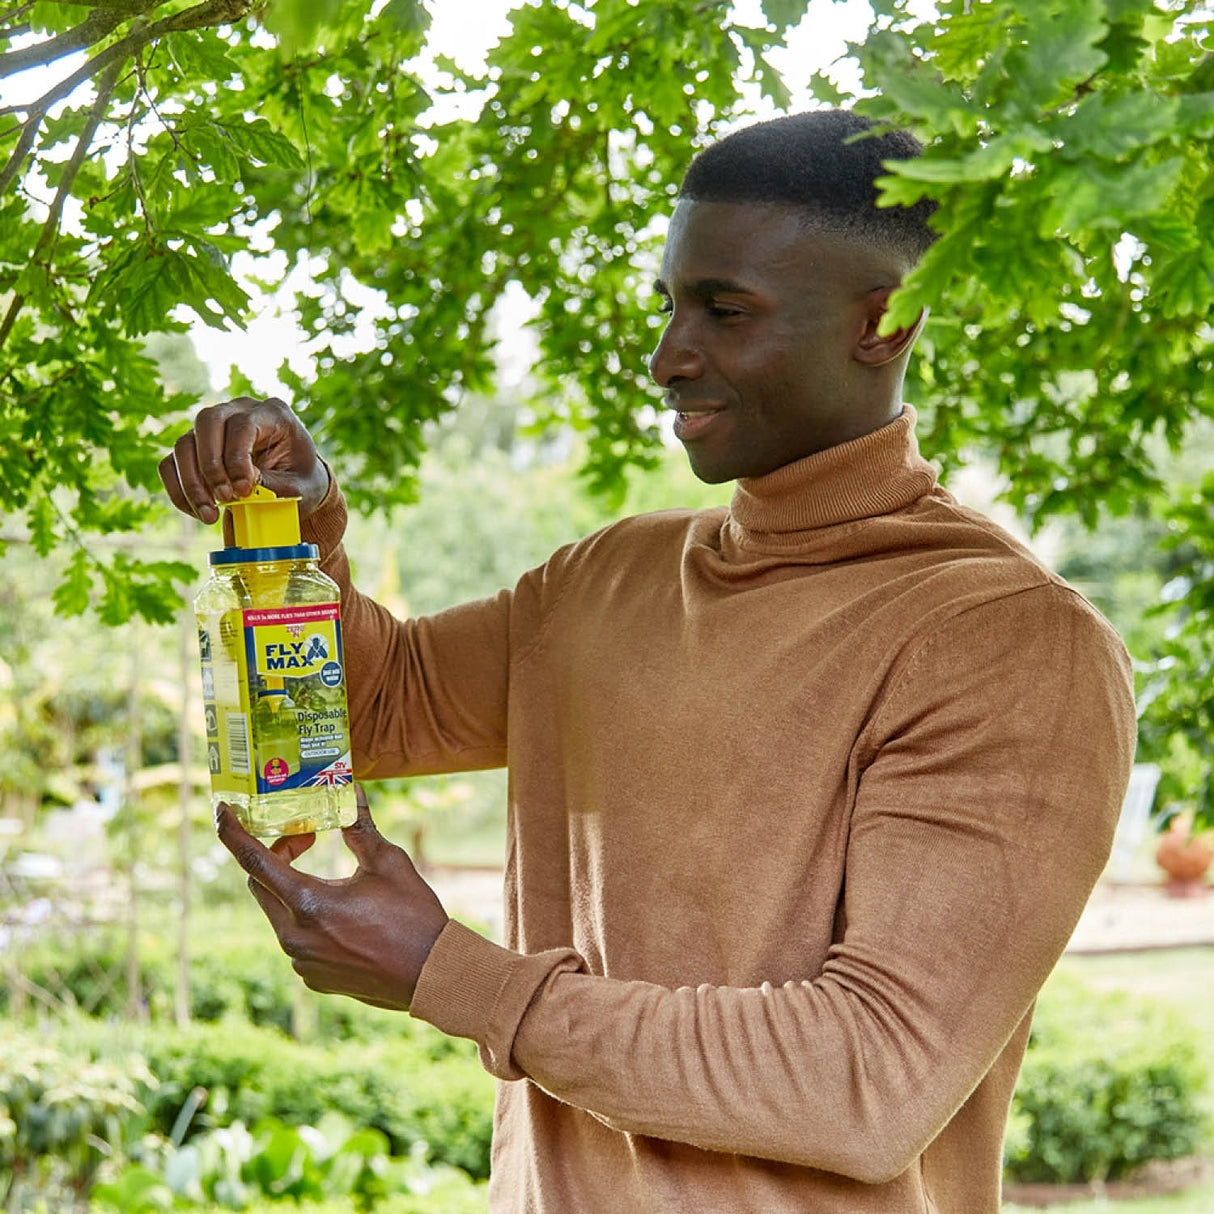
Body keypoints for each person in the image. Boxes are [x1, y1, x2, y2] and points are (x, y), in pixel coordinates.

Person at [159, 110, 1137, 1214]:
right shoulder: (606, 577)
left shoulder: (1005, 639)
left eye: (724, 310)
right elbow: (365, 716)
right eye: (669, 305)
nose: (668, 357)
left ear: (886, 321)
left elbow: (868, 1078)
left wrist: (454, 974)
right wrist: (290, 539)